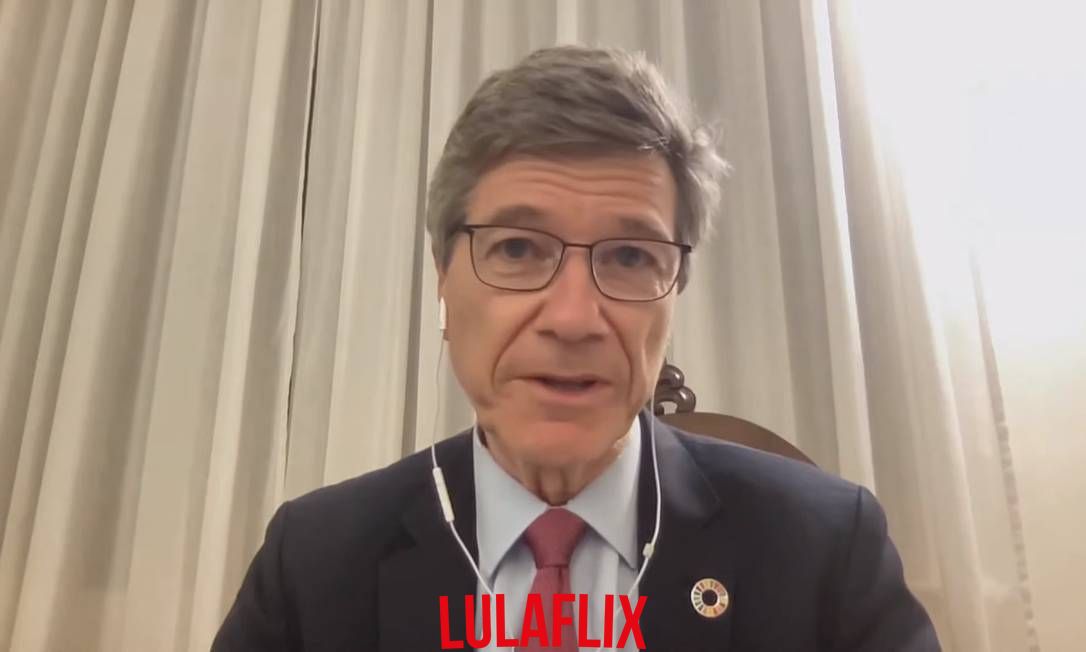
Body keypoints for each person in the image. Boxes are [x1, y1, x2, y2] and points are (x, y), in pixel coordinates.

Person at [213, 45, 940, 651]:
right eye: (518, 248)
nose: (572, 318)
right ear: (443, 278)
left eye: (629, 257)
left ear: (675, 290)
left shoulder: (824, 549)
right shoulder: (315, 563)